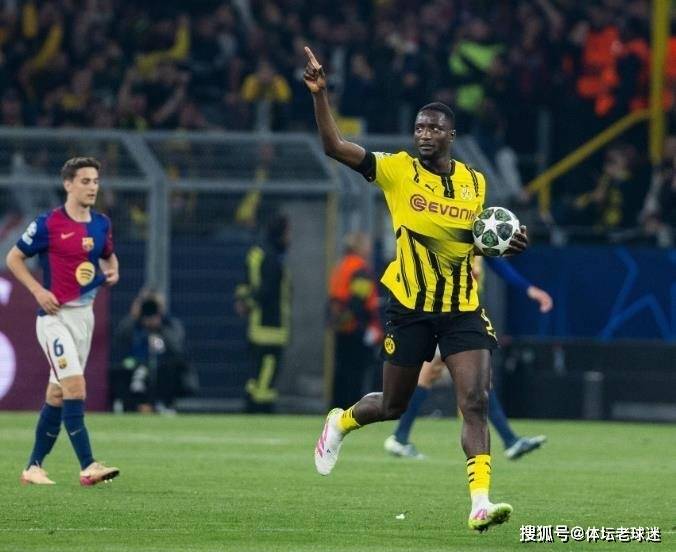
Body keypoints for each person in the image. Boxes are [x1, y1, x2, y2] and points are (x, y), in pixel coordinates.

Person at [304, 47, 528, 532]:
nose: (424, 134)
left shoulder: (474, 183)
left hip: (462, 308)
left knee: (474, 400)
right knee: (393, 405)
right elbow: (335, 147)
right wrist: (321, 96)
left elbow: (472, 240)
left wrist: (501, 245)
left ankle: (480, 503)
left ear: (451, 135)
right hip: (410, 306)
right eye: (419, 128)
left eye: (433, 128)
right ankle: (340, 421)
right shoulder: (397, 170)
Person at [6, 157, 120, 486]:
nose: (92, 187)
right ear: (68, 184)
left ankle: (33, 467)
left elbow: (108, 256)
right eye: (85, 181)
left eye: (95, 181)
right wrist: (38, 291)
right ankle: (88, 465)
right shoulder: (49, 223)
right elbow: (14, 257)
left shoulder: (101, 224)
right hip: (54, 318)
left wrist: (113, 270)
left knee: (57, 395)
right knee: (75, 387)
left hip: (85, 317)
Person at [385, 256, 552, 460]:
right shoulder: (450, 241)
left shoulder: (474, 240)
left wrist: (528, 289)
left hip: (459, 313)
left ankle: (400, 436)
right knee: (470, 376)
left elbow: (495, 261)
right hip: (447, 314)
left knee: (441, 375)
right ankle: (510, 440)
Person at [234, 213, 291, 413]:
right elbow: (268, 289)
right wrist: (250, 303)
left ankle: (251, 402)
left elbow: (245, 283)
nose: (289, 237)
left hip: (256, 325)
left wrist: (243, 301)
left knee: (256, 373)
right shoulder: (273, 258)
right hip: (272, 327)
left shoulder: (255, 253)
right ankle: (262, 408)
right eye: (288, 232)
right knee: (267, 372)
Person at [111, 289, 196, 413]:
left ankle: (163, 403)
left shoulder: (170, 324)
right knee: (129, 367)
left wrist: (160, 327)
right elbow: (119, 343)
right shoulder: (132, 325)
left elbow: (178, 350)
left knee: (171, 367)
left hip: (163, 371)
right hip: (135, 367)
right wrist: (133, 317)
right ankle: (133, 404)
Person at [328, 232, 382, 409]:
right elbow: (358, 300)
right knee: (356, 374)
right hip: (355, 328)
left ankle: (336, 409)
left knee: (341, 372)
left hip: (341, 327)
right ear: (359, 247)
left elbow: (335, 299)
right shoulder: (360, 268)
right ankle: (351, 411)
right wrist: (366, 328)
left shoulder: (341, 266)